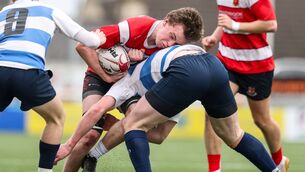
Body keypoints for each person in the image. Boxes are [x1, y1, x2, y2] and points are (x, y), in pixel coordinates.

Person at [54, 44, 280, 172]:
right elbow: (159, 133)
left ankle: (94, 156)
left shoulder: (124, 83)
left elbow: (96, 111)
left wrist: (69, 145)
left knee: (134, 123)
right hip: (212, 65)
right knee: (234, 135)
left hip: (185, 72)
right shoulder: (154, 68)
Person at [63, 7, 204, 172]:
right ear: (166, 21)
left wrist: (132, 62)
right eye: (171, 37)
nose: (170, 44)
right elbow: (82, 46)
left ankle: (94, 154)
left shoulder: (168, 51)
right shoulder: (135, 27)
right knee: (89, 137)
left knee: (149, 130)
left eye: (176, 43)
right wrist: (106, 75)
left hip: (128, 82)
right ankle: (77, 153)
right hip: (99, 77)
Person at [0, 0, 106, 172]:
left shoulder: (4, 12)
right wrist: (98, 38)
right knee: (56, 118)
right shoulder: (49, 10)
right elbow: (89, 40)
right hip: (29, 72)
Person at [201, 0, 289, 172]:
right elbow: (226, 20)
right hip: (227, 61)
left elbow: (271, 24)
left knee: (262, 120)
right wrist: (215, 37)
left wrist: (235, 25)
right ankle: (214, 169)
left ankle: (279, 162)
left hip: (256, 66)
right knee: (212, 112)